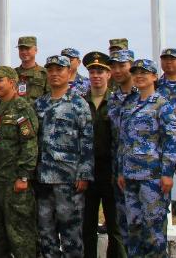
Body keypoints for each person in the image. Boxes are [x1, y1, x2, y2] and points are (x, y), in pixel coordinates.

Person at [116, 59, 176, 257]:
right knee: (133, 228)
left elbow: (171, 140)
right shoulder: (129, 105)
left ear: (154, 77)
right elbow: (123, 141)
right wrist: (121, 171)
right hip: (130, 175)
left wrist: (167, 173)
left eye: (144, 72)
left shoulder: (162, 105)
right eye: (136, 73)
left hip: (152, 177)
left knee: (153, 230)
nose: (139, 76)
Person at [34, 55, 93, 258]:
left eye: (59, 70)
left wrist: (84, 174)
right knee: (45, 233)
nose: (54, 74)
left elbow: (87, 141)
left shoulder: (79, 104)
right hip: (43, 179)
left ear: (69, 72)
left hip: (69, 180)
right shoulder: (39, 104)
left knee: (71, 234)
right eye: (51, 70)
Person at [0, 66, 38, 258]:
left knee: (20, 235)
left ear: (12, 83)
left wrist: (24, 175)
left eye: (0, 80)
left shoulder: (22, 109)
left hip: (15, 183)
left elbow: (29, 143)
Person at [81, 51, 125, 258]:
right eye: (92, 72)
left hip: (112, 172)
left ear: (108, 75)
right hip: (87, 172)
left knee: (116, 226)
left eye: (100, 71)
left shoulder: (118, 103)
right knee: (86, 226)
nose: (96, 75)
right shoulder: (80, 103)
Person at [107, 49, 136, 248]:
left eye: (122, 66)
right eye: (114, 66)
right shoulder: (113, 98)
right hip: (119, 171)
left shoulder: (146, 96)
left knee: (149, 231)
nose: (117, 70)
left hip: (145, 173)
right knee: (124, 227)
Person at [14, 36, 48, 102]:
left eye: (27, 48)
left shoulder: (44, 73)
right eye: (21, 49)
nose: (24, 52)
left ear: (36, 50)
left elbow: (50, 96)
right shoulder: (12, 73)